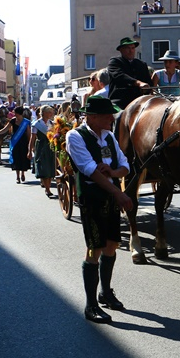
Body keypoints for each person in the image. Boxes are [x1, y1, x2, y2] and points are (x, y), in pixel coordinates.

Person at [65, 96, 134, 323]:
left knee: (112, 244)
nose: (111, 118)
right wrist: (119, 193)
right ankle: (90, 304)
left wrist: (113, 174)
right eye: (107, 115)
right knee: (95, 247)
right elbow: (90, 170)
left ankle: (105, 292)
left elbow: (124, 166)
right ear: (92, 117)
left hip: (110, 197)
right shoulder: (75, 136)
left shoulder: (110, 136)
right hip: (93, 198)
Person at [106, 37, 152, 110]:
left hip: (139, 101)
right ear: (121, 50)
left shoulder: (141, 64)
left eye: (133, 48)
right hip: (120, 101)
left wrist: (147, 89)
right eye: (128, 48)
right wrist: (137, 83)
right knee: (117, 117)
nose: (131, 51)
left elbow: (148, 82)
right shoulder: (115, 62)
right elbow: (119, 75)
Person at [28, 105, 57, 198]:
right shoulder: (36, 124)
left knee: (50, 167)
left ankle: (48, 186)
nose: (51, 114)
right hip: (41, 148)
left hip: (50, 148)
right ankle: (47, 189)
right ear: (43, 113)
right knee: (43, 167)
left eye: (51, 112)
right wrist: (29, 151)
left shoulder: (52, 124)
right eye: (49, 112)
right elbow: (32, 139)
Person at [0, 108, 29, 184]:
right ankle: (17, 176)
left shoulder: (26, 122)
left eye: (15, 113)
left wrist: (30, 144)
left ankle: (23, 174)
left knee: (23, 158)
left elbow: (29, 133)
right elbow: (6, 129)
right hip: (15, 142)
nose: (14, 114)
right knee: (16, 158)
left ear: (18, 113)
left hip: (24, 142)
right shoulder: (13, 121)